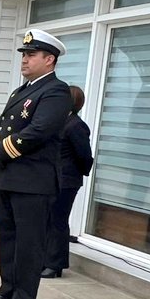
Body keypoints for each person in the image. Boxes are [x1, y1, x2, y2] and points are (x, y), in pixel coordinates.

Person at [0, 28, 73, 299]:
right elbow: (1, 124)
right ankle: (7, 287)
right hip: (9, 175)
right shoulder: (21, 90)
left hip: (34, 181)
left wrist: (1, 150)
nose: (24, 60)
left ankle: (24, 298)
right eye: (24, 55)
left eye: (31, 55)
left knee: (29, 242)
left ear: (50, 60)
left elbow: (38, 132)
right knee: (7, 236)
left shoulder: (56, 91)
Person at [42, 85, 94, 278]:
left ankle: (55, 265)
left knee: (58, 221)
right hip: (51, 179)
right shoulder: (59, 122)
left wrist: (76, 173)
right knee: (48, 220)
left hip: (66, 181)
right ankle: (46, 259)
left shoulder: (76, 125)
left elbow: (84, 155)